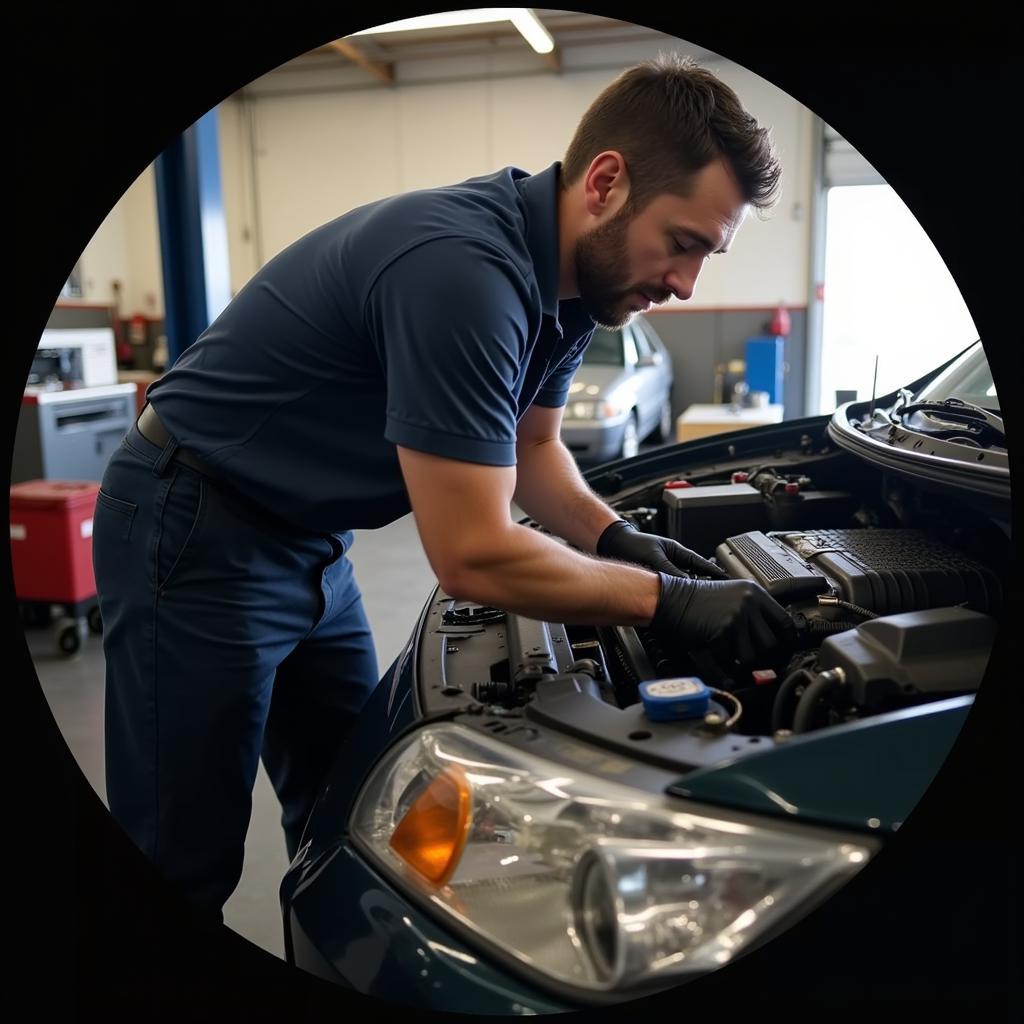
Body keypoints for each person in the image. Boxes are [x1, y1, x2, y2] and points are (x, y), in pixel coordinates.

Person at [92, 54, 792, 918]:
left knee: (353, 808)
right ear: (606, 182)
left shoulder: (574, 289)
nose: (685, 284)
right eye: (683, 243)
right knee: (179, 858)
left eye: (706, 257)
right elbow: (471, 554)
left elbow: (535, 449)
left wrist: (614, 538)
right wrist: (667, 599)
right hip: (193, 521)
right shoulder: (466, 271)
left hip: (311, 539)